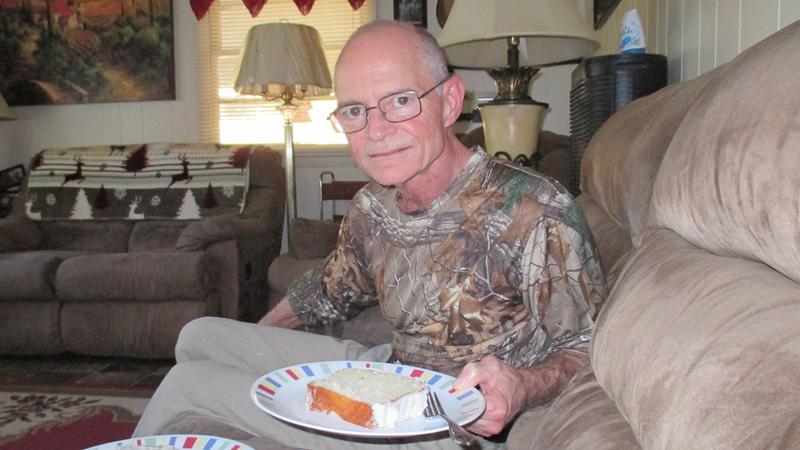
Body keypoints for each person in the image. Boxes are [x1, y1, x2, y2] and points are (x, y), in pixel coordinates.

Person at [134, 20, 606, 449]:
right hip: (389, 368)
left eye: (400, 101)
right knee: (198, 337)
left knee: (186, 382)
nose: (376, 131)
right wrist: (258, 357)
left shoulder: (534, 209)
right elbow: (326, 293)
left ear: (450, 101)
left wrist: (521, 385)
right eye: (355, 110)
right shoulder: (372, 205)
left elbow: (589, 348)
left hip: (442, 426)